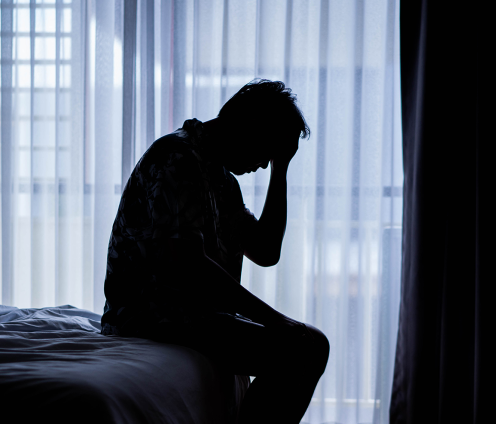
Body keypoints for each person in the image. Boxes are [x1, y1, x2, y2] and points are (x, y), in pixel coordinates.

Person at [101, 79, 329, 424]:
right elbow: (188, 265)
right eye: (267, 150)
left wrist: (282, 169)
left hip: (189, 313)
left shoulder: (220, 179)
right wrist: (273, 319)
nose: (265, 165)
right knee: (305, 349)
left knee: (311, 344)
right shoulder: (177, 158)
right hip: (147, 315)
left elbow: (266, 251)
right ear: (248, 128)